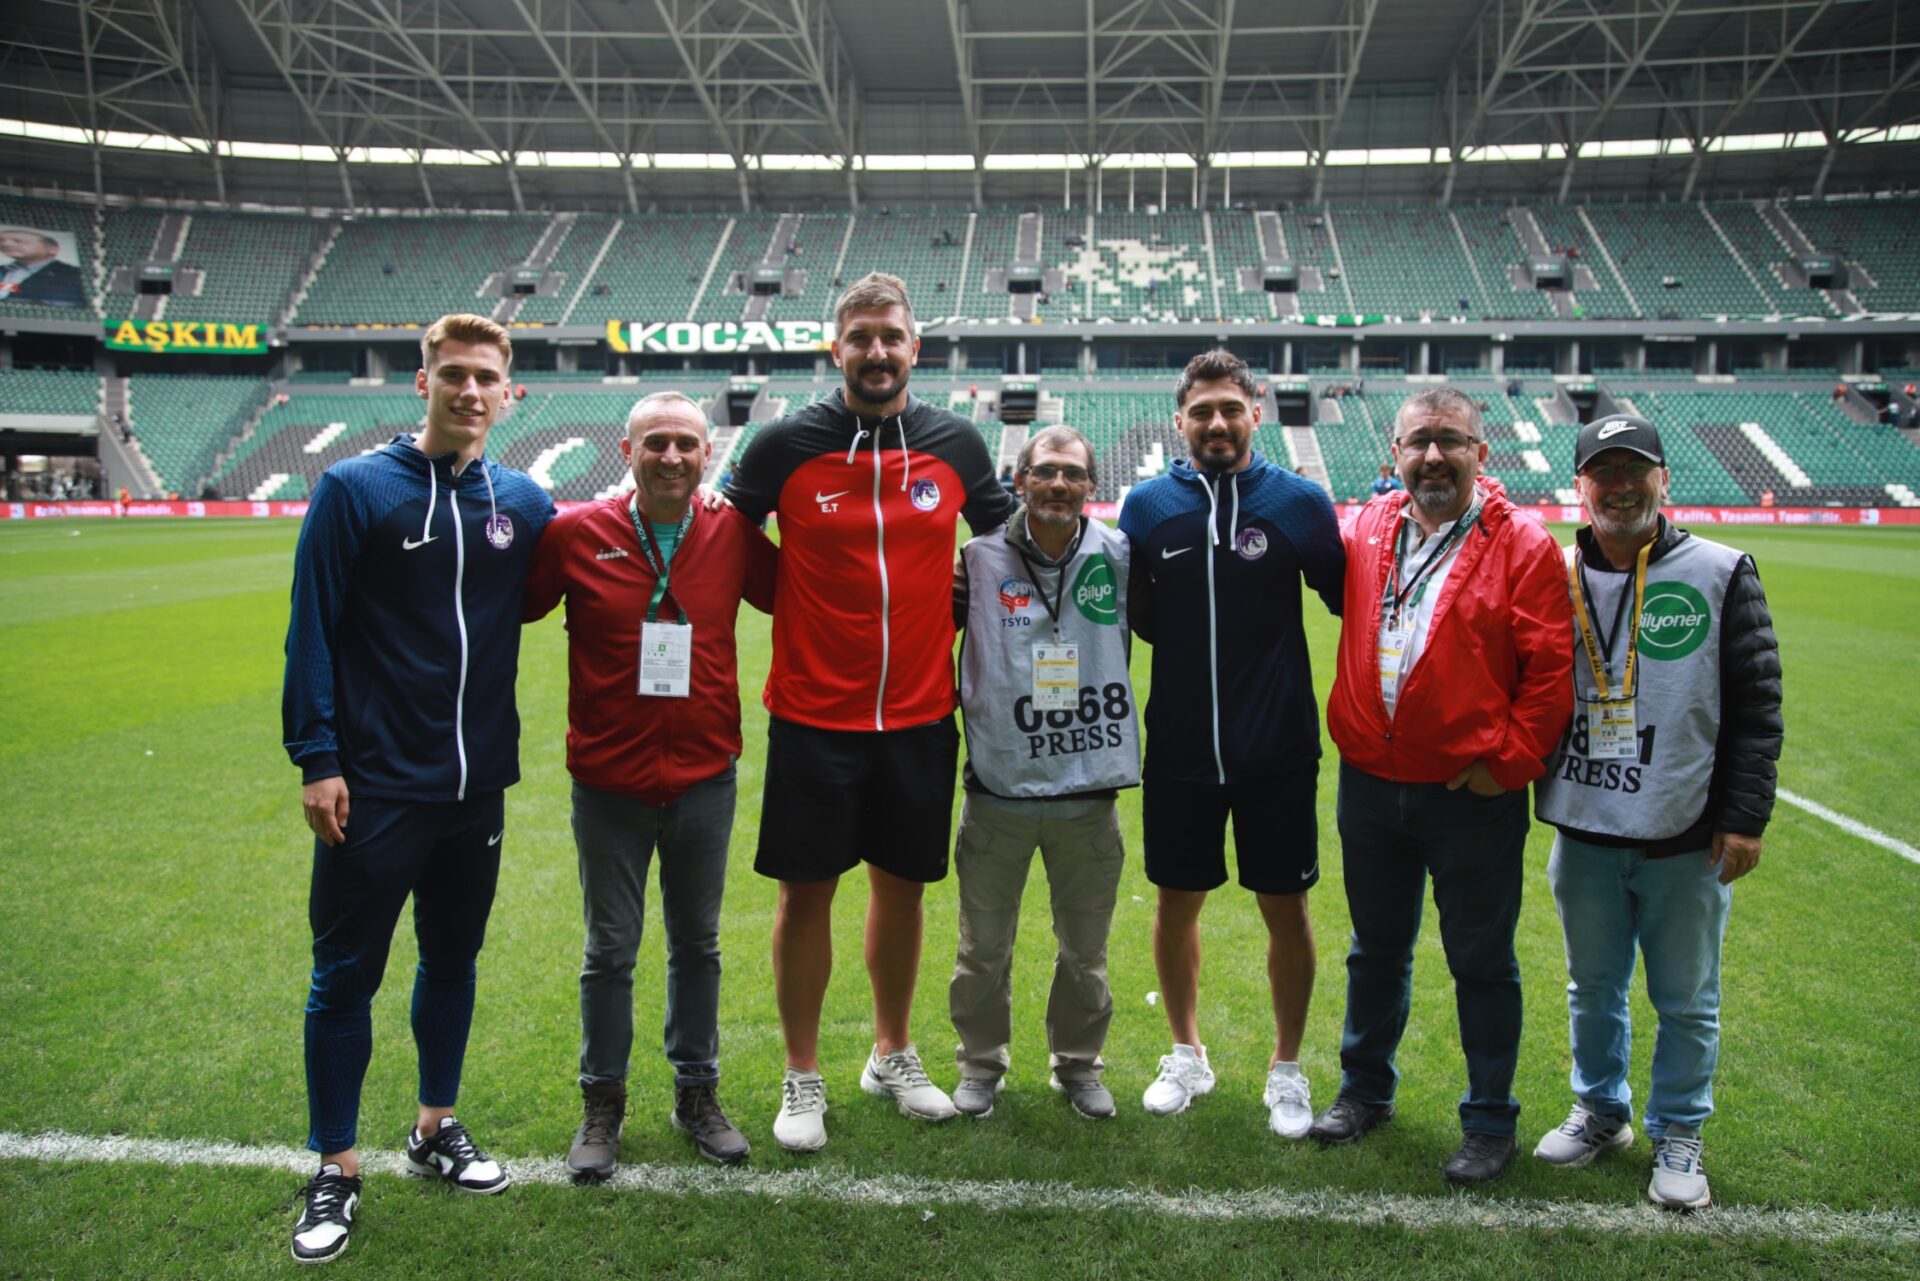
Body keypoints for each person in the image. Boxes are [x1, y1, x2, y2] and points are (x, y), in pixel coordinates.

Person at [281, 314, 554, 1264]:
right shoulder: (355, 490)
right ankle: (336, 1163)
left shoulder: (522, 498)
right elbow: (309, 628)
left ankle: (436, 1125)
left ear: (509, 392)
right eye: (455, 374)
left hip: (476, 790)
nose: (471, 390)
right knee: (345, 974)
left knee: (452, 960)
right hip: (373, 788)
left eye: (487, 377)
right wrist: (316, 757)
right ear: (424, 381)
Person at [723, 272, 1016, 1152]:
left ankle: (892, 1051)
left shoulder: (957, 445)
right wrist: (799, 605)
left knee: (903, 887)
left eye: (892, 336)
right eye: (862, 337)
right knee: (805, 893)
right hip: (815, 714)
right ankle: (802, 1073)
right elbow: (731, 546)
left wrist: (954, 601)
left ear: (913, 348)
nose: (877, 352)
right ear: (836, 347)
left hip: (923, 713)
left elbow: (1003, 547)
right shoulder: (783, 446)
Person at [1311, 386, 1572, 1185]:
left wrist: (1507, 766)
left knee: (1482, 960)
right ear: (1394, 453)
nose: (1433, 455)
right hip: (1371, 783)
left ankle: (1489, 1118)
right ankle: (1365, 1091)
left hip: (1469, 796)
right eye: (1418, 441)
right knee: (1375, 949)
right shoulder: (1366, 528)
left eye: (1450, 440)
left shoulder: (1523, 545)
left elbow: (1551, 672)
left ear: (1479, 454)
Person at [523, 392, 777, 1177]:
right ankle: (602, 1101)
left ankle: (696, 1091)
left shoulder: (733, 533)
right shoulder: (575, 533)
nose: (672, 456)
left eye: (686, 444)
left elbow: (810, 596)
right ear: (626, 450)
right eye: (656, 443)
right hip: (608, 783)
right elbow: (501, 606)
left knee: (697, 945)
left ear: (709, 455)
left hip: (705, 775)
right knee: (610, 949)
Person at [1531, 414, 1781, 1210]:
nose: (1621, 485)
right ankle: (1602, 1109)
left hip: (1685, 833)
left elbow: (1756, 701)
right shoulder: (1551, 571)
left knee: (1686, 998)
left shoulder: (1720, 569)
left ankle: (1679, 1130)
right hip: (1585, 826)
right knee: (1591, 986)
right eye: (1603, 472)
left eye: (1636, 469)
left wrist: (1744, 816)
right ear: (1582, 486)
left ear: (1664, 478)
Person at [1118, 349, 1344, 1136]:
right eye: (1201, 410)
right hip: (1179, 749)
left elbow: (1355, 597)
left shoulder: (1300, 504)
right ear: (1179, 420)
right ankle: (1186, 1052)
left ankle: (1286, 1068)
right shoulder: (1146, 507)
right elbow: (1135, 609)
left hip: (1277, 748)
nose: (1217, 422)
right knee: (1176, 904)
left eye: (1230, 407)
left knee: (1287, 905)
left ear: (1257, 410)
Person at [947, 426, 1139, 1122]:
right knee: (982, 950)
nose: (1059, 484)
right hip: (998, 791)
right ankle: (980, 1066)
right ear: (1020, 480)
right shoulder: (976, 558)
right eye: (1045, 471)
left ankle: (1079, 1066)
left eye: (1073, 474)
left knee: (1085, 952)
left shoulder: (1118, 554)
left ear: (1090, 485)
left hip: (1087, 794)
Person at [0, 228, 86, 309]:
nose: (5, 244)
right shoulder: (5, 270)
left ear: (52, 249)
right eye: (2, 241)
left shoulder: (73, 275)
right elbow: (13, 288)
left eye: (18, 241)